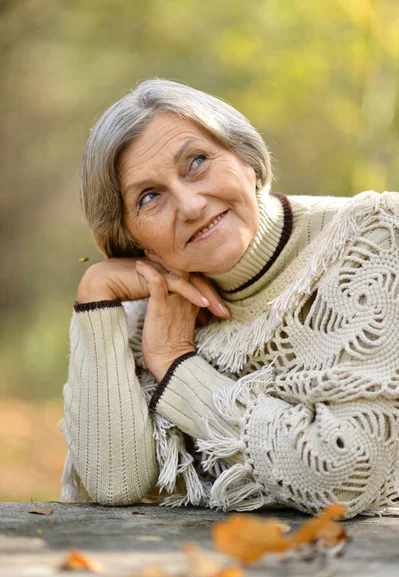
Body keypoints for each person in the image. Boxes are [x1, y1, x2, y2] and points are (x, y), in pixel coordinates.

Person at [59, 79, 399, 517]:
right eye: (149, 197)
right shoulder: (155, 302)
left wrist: (177, 366)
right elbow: (116, 481)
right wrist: (97, 295)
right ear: (135, 239)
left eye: (196, 162)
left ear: (247, 159)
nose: (190, 205)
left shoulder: (374, 239)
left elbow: (345, 475)